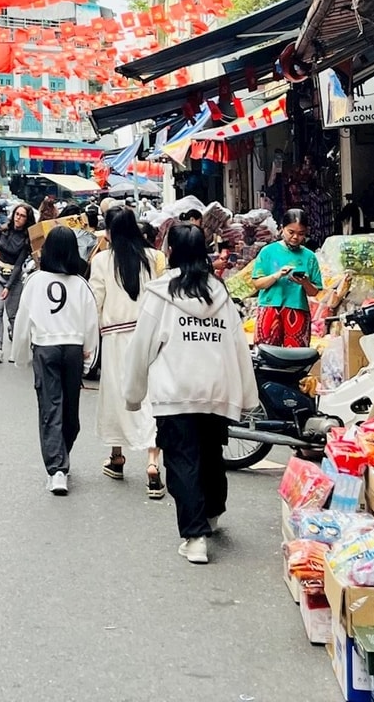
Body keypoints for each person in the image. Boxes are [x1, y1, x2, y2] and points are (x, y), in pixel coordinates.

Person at [122, 222, 259, 565]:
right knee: (212, 454)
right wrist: (247, 396)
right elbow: (237, 345)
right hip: (216, 389)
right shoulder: (221, 294)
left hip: (175, 391)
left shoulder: (161, 295)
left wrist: (133, 392)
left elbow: (142, 348)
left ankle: (195, 536)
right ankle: (211, 514)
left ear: (172, 252)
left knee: (182, 460)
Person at [11, 226, 100, 496]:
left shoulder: (35, 282)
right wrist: (89, 358)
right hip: (73, 348)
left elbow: (23, 319)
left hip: (45, 347)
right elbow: (91, 323)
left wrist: (21, 356)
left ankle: (57, 468)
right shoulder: (80, 284)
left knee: (51, 406)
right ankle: (61, 458)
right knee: (70, 409)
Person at [89, 206, 169, 497]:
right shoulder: (154, 257)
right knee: (150, 397)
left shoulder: (101, 261)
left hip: (115, 337)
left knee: (116, 395)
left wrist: (89, 342)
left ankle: (117, 456)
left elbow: (94, 301)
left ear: (109, 232)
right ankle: (152, 462)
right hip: (149, 335)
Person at [250, 210, 323, 347]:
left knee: (296, 357)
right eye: (291, 232)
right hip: (269, 307)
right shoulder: (267, 251)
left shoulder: (310, 256)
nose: (295, 237)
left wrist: (305, 283)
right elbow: (257, 284)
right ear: (282, 228)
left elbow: (314, 292)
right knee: (266, 353)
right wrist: (276, 275)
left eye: (301, 234)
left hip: (298, 309)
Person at [0, 201, 39, 363]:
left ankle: (15, 350)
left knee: (13, 315)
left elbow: (18, 264)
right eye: (17, 214)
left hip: (14, 277)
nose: (18, 218)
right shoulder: (3, 230)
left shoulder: (26, 240)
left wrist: (8, 287)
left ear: (27, 219)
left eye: (22, 216)